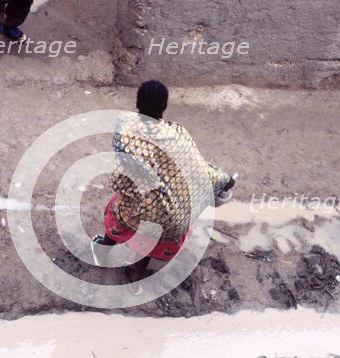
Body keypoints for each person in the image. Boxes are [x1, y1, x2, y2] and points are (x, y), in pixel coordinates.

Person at [91, 80, 235, 291]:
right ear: (164, 107)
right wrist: (227, 180)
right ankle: (135, 275)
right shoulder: (178, 135)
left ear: (138, 102)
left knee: (123, 212)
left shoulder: (125, 126)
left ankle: (102, 252)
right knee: (151, 234)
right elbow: (202, 168)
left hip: (137, 210)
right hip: (171, 221)